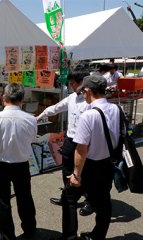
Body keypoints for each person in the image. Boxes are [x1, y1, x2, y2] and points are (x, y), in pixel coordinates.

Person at [61, 75, 120, 240]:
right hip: (108, 163)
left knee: (69, 197)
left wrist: (76, 175)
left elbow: (81, 149)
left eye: (83, 92)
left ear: (87, 91)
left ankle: (70, 236)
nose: (82, 95)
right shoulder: (117, 109)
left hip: (90, 166)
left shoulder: (88, 115)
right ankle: (98, 235)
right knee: (103, 201)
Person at [0, 83, 37, 240]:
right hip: (22, 165)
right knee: (25, 198)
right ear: (22, 99)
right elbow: (30, 140)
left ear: (4, 98)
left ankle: (7, 235)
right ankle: (30, 230)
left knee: (3, 201)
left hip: (0, 164)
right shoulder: (31, 119)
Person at [36, 72, 94, 216]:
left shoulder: (91, 100)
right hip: (70, 139)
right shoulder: (72, 97)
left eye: (73, 83)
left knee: (85, 171)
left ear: (82, 82)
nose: (71, 86)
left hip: (85, 142)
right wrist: (40, 116)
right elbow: (56, 108)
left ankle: (90, 201)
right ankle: (68, 196)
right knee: (67, 169)